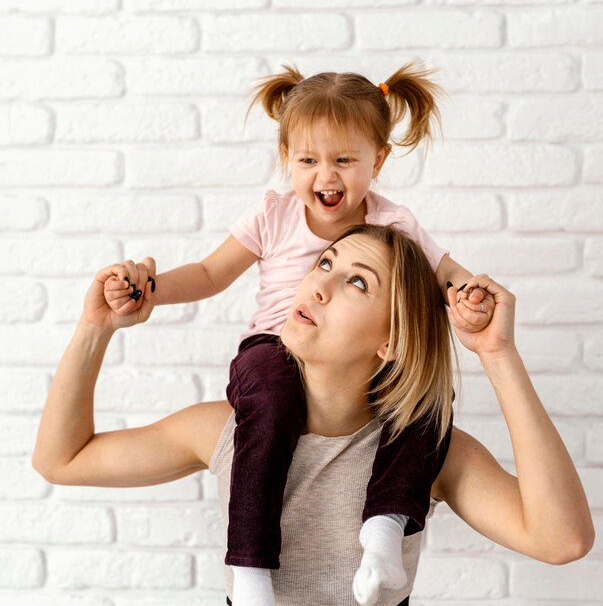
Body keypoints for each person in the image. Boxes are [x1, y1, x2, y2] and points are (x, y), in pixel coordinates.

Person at [33, 224, 594, 606]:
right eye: (325, 262)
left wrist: (497, 354)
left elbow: (562, 540)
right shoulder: (224, 429)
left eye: (356, 281)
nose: (319, 284)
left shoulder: (432, 453)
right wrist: (95, 328)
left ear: (392, 340)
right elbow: (61, 460)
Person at [99, 63, 495, 605]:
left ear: (377, 160)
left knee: (428, 397)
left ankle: (384, 524)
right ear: (288, 158)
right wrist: (153, 288)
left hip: (355, 367)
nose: (324, 176)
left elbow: (444, 270)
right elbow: (212, 273)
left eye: (343, 160)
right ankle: (251, 568)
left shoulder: (392, 224)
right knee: (273, 397)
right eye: (307, 160)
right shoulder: (273, 214)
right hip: (272, 349)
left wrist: (468, 291)